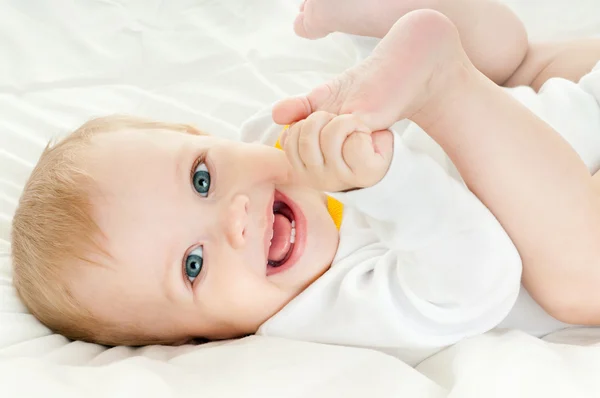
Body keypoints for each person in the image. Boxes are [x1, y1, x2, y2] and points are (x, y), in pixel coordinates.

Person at [10, 0, 600, 366]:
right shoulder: (319, 311)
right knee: (579, 274)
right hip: (574, 165)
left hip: (562, 110)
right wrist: (388, 183)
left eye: (201, 177)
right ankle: (443, 72)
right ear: (197, 341)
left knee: (515, 61)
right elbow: (478, 283)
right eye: (193, 264)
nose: (235, 217)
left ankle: (399, 32)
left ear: (202, 135)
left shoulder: (281, 138)